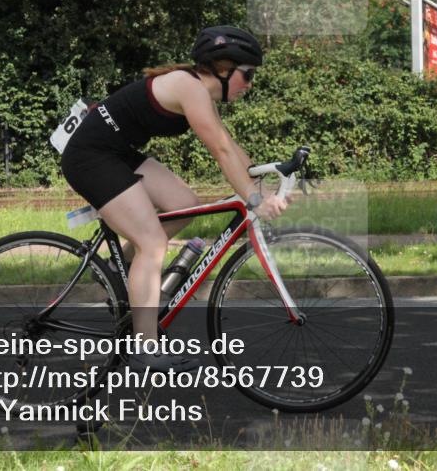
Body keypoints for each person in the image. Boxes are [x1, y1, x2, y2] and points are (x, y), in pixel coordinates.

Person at [60, 25, 288, 372]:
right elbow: (221, 151)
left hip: (115, 152)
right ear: (224, 70)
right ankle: (144, 346)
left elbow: (230, 146)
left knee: (184, 204)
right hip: (90, 156)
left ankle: (115, 268)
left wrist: (261, 180)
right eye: (248, 74)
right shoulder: (188, 87)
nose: (250, 84)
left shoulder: (196, 89)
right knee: (152, 242)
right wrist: (255, 200)